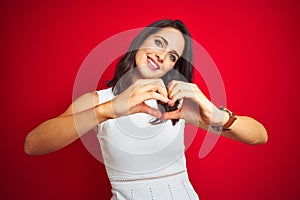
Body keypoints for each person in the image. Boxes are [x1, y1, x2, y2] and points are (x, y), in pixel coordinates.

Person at [24, 19, 268, 200]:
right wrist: (108, 110)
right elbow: (33, 145)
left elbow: (259, 136)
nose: (162, 57)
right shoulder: (99, 101)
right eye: (159, 43)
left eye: (172, 56)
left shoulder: (177, 105)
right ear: (140, 42)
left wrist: (218, 115)